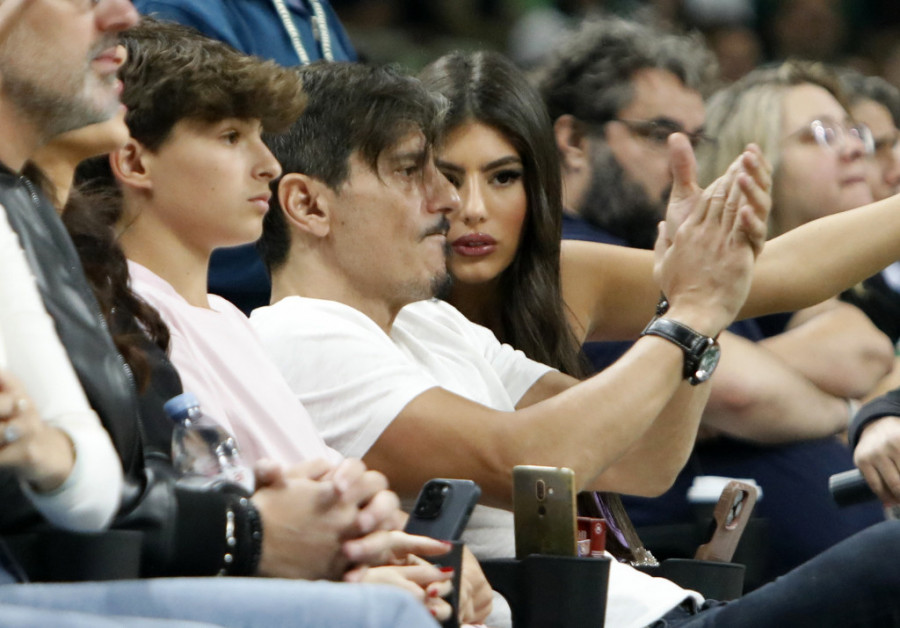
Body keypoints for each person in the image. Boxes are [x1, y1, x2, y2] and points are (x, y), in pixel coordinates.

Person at [0, 3, 443, 627]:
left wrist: (349, 529)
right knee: (384, 616)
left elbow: (112, 483)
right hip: (60, 579)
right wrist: (252, 531)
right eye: (231, 136)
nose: (269, 164)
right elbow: (86, 512)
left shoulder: (51, 232)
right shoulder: (121, 290)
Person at [531, 19, 892, 581]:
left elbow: (861, 346)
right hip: (654, 574)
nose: (685, 162)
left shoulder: (668, 248)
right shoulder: (564, 256)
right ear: (574, 140)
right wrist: (848, 414)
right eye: (659, 134)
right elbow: (738, 391)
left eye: (695, 140)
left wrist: (714, 365)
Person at [132, 0, 357, 314]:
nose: (271, 167)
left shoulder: (316, 10)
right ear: (134, 162)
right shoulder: (181, 9)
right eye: (232, 137)